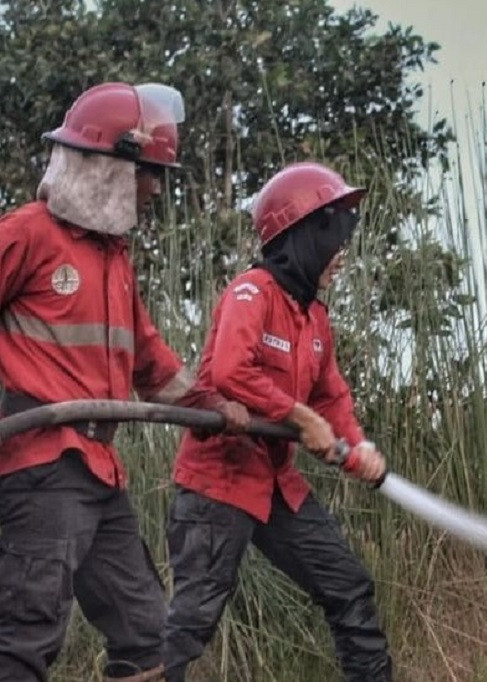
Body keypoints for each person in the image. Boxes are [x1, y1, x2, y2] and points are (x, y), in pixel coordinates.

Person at [0, 82, 250, 682]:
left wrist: (216, 407)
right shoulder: (27, 233)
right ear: (109, 165)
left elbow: (150, 363)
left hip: (96, 472)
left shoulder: (114, 259)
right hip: (39, 465)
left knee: (149, 641)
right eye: (148, 173)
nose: (155, 188)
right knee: (24, 641)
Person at [161, 161, 392, 681]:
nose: (343, 254)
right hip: (218, 481)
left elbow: (333, 399)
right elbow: (228, 370)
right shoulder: (252, 293)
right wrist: (297, 415)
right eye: (335, 238)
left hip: (276, 486)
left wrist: (359, 447)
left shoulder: (315, 319)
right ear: (306, 235)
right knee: (192, 619)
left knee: (348, 585)